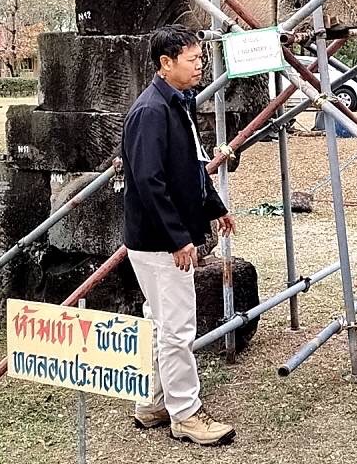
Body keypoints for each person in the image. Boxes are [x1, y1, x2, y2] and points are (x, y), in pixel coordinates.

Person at [122, 24, 237, 446]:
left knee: (161, 322)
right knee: (177, 329)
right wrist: (178, 238)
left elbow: (191, 165)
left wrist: (214, 208)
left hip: (165, 239)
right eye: (192, 59)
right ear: (165, 63)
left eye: (200, 58)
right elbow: (150, 182)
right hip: (157, 244)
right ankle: (186, 413)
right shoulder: (150, 111)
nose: (199, 65)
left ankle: (153, 402)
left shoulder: (178, 104)